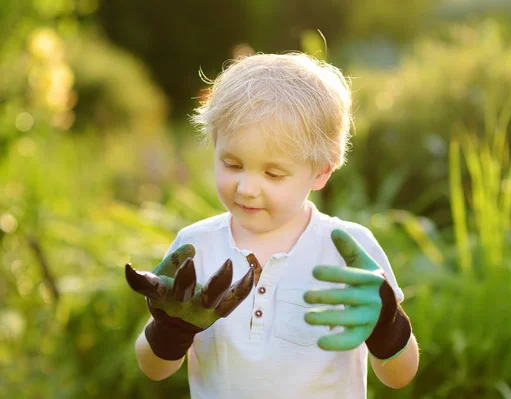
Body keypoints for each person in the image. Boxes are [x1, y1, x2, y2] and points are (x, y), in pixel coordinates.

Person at [126, 52, 419, 399]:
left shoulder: (349, 251)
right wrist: (170, 330)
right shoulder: (195, 247)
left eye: (273, 173)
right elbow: (153, 369)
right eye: (232, 164)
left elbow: (399, 377)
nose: (247, 188)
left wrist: (387, 325)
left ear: (322, 171)